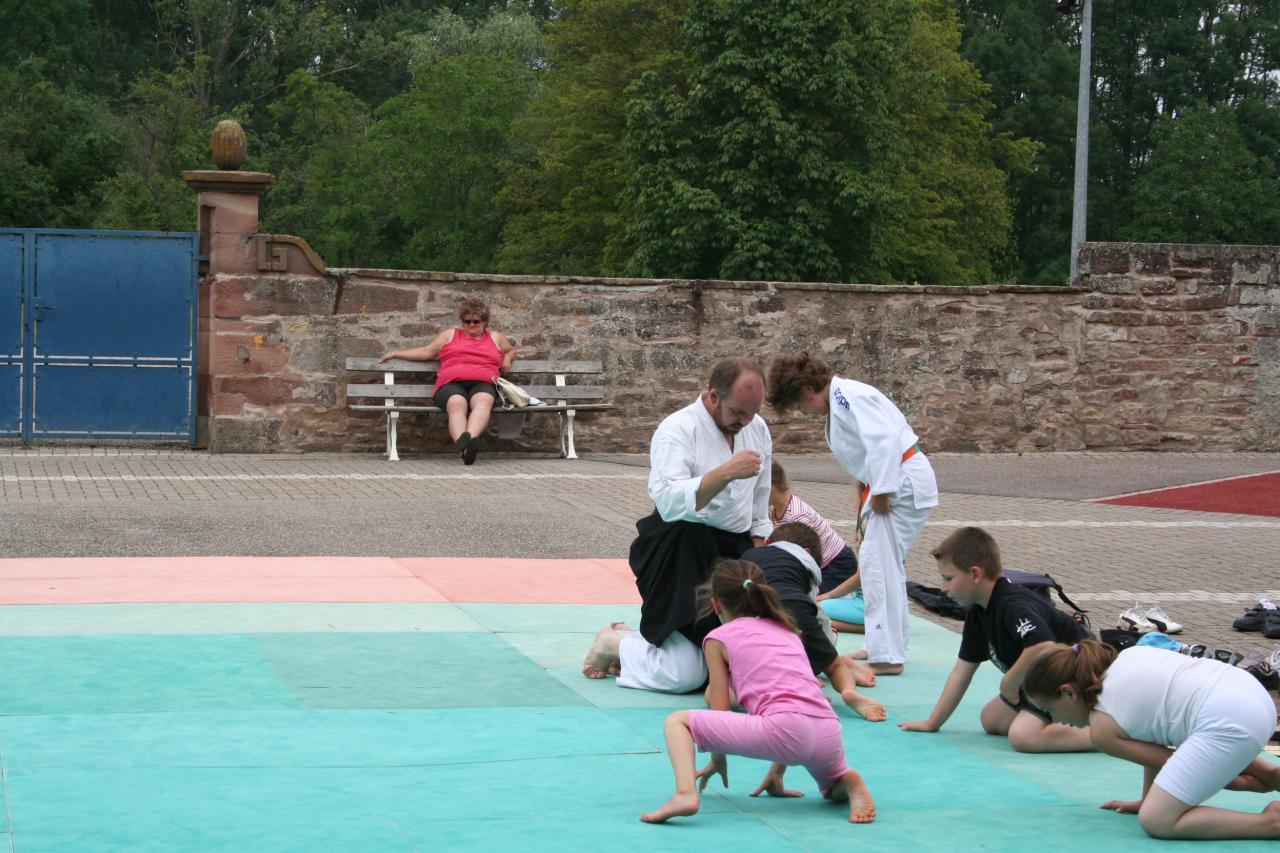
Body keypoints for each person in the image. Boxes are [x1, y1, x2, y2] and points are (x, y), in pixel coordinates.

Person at [582, 358, 772, 692]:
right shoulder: (677, 429)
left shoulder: (756, 429)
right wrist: (725, 472)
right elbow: (668, 501)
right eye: (738, 412)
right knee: (687, 675)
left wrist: (760, 546)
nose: (745, 422)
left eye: (752, 412)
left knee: (735, 664)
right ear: (713, 396)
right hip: (680, 548)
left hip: (734, 551)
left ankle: (631, 638)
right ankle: (614, 644)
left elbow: (760, 498)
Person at [640, 559, 877, 825]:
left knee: (677, 722)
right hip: (828, 732)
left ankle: (684, 794)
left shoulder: (718, 638)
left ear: (716, 604)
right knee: (832, 790)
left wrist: (718, 759)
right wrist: (778, 771)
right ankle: (848, 782)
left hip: (785, 729)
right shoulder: (788, 631)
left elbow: (720, 709)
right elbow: (794, 699)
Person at [766, 353, 938, 675]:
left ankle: (887, 655)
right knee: (883, 566)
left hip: (899, 482)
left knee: (877, 566)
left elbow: (883, 439)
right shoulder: (841, 400)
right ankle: (884, 645)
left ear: (806, 388)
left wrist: (884, 491)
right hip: (895, 481)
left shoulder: (847, 395)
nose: (806, 412)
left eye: (801, 405)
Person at [1025, 642, 1280, 840]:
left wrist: (1234, 782)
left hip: (1231, 721)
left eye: (1050, 709)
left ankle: (1271, 823)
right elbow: (1155, 739)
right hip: (1254, 697)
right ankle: (1270, 773)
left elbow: (1169, 760)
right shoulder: (1127, 656)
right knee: (1198, 742)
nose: (1056, 720)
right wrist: (1148, 797)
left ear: (1068, 692)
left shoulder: (1102, 728)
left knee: (1158, 820)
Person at [898, 527, 1094, 753]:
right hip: (1036, 685)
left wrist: (1009, 681)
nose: (943, 588)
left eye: (948, 578)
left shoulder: (1012, 604)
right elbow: (961, 672)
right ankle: (1051, 720)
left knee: (1023, 737)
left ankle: (1104, 735)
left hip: (1073, 679)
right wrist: (933, 723)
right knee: (991, 720)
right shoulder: (978, 613)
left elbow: (1043, 646)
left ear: (975, 574)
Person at [741, 522, 885, 721]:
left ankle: (783, 684)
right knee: (832, 663)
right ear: (807, 553)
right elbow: (812, 614)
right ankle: (848, 690)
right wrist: (824, 658)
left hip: (749, 609)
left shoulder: (750, 554)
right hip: (794, 607)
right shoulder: (805, 563)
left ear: (769, 542)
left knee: (757, 662)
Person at [380, 297, 515, 465]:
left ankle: (470, 442)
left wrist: (507, 358)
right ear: (462, 321)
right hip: (451, 383)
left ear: (485, 322)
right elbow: (426, 352)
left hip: (483, 383)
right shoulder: (450, 335)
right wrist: (396, 354)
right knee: (456, 403)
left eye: (476, 321)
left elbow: (511, 350)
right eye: (467, 322)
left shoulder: (495, 338)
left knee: (484, 400)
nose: (471, 325)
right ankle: (465, 446)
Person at [769, 460, 863, 633]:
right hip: (824, 564)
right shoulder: (777, 510)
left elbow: (805, 562)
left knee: (803, 606)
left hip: (836, 567)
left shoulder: (797, 515)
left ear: (772, 485)